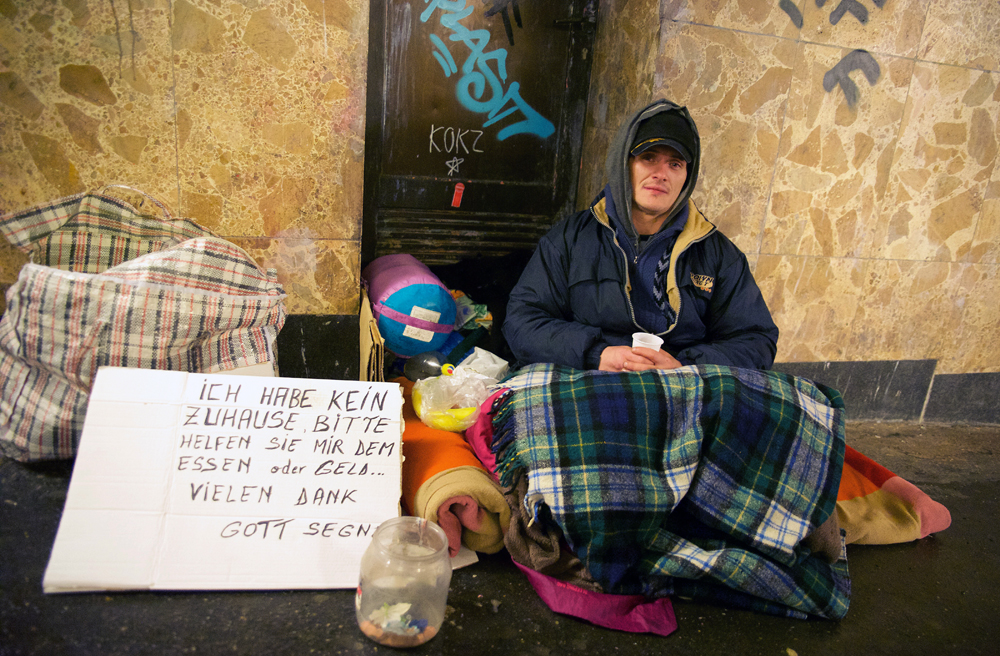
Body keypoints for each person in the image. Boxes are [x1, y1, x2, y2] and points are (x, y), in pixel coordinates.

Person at [503, 99, 779, 372]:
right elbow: (522, 321)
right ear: (624, 165)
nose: (661, 174)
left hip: (680, 388)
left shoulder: (717, 254)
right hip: (589, 377)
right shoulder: (570, 239)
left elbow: (757, 340)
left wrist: (685, 365)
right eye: (649, 158)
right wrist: (596, 354)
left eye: (675, 164)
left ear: (687, 176)